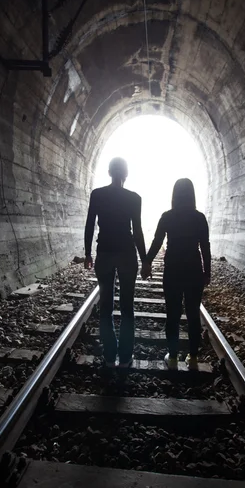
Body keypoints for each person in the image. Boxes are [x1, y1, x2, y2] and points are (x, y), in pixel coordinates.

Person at [84, 157, 149, 368]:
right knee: (127, 307)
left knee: (106, 306)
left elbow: (89, 225)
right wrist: (145, 260)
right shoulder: (134, 198)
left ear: (109, 172)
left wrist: (87, 253)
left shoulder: (98, 195)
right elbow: (137, 231)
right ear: (126, 174)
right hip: (127, 254)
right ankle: (126, 358)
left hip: (104, 252)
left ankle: (110, 356)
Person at [144, 178, 210, 370]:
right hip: (194, 270)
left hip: (172, 270)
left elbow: (157, 242)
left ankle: (172, 358)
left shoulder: (167, 216)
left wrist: (147, 262)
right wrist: (207, 272)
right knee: (193, 315)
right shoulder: (199, 218)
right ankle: (194, 359)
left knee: (172, 314)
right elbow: (205, 246)